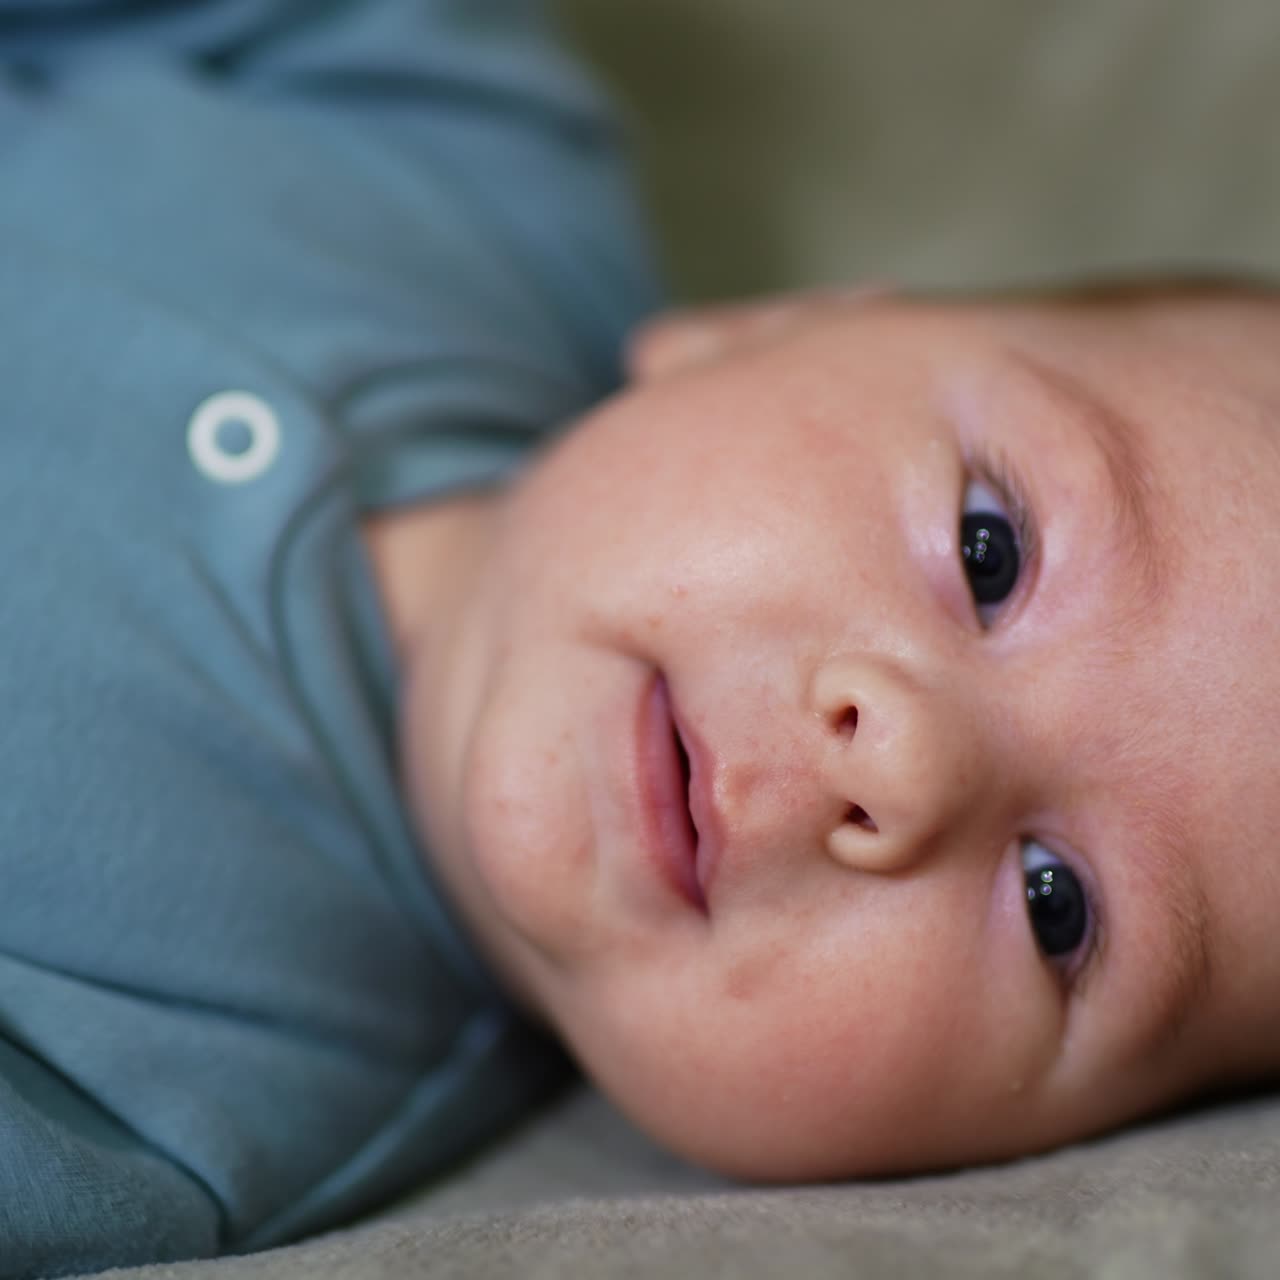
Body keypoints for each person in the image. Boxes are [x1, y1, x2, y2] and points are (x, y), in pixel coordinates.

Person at [5, 3, 1280, 1277]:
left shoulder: (166, 1128)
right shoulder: (466, 152)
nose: (902, 762)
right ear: (774, 324)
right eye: (986, 550)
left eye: (1057, 909)